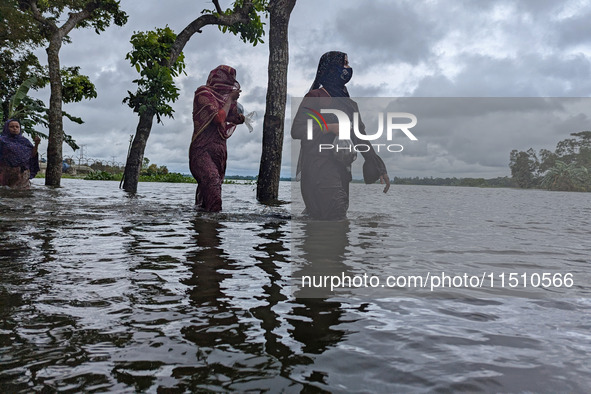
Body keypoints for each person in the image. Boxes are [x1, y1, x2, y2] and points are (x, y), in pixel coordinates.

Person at [291, 51, 390, 220]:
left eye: (348, 63)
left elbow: (360, 136)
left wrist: (379, 167)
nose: (348, 68)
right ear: (331, 69)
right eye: (344, 64)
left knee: (336, 214)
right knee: (335, 217)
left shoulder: (350, 104)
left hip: (342, 169)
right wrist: (327, 127)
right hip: (318, 167)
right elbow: (297, 129)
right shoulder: (316, 97)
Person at [189, 65, 245, 212]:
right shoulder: (203, 92)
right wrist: (230, 100)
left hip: (219, 152)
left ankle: (201, 228)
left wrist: (238, 118)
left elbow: (229, 117)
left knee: (206, 197)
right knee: (212, 183)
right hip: (202, 151)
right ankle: (213, 227)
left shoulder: (225, 99)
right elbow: (219, 118)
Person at [0, 119, 41, 189]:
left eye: (17, 127)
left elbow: (32, 155)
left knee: (22, 194)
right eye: (12, 127)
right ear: (7, 128)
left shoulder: (25, 141)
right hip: (6, 172)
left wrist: (36, 144)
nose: (14, 128)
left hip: (22, 173)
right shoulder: (2, 141)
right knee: (6, 193)